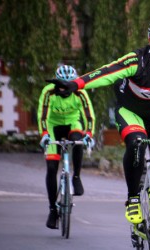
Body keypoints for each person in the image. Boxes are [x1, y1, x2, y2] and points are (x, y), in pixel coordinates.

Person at [46, 16, 150, 228]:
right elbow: (107, 72)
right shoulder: (138, 60)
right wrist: (76, 84)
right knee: (136, 143)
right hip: (131, 112)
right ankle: (133, 197)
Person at [38, 65, 96, 229]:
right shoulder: (48, 92)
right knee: (51, 167)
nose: (65, 89)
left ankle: (76, 176)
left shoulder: (80, 92)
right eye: (62, 85)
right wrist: (44, 135)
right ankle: (52, 210)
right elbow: (42, 115)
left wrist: (89, 135)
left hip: (72, 122)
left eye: (69, 85)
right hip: (52, 125)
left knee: (78, 139)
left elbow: (89, 115)